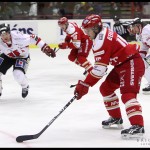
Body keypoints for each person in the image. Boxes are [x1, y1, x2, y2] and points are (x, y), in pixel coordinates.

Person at [73, 14, 145, 139]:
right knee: (106, 88)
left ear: (95, 28)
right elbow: (101, 67)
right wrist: (86, 83)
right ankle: (116, 118)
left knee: (128, 94)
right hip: (122, 64)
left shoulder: (101, 40)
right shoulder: (101, 33)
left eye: (88, 30)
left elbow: (100, 69)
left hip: (132, 62)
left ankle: (138, 125)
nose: (86, 33)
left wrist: (85, 84)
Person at [0, 23, 56, 98]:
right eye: (2, 35)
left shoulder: (18, 37)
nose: (5, 37)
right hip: (7, 56)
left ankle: (25, 86)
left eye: (6, 34)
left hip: (22, 57)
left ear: (9, 33)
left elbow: (34, 38)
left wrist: (46, 48)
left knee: (17, 74)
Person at [127, 18, 150, 94]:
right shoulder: (139, 35)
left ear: (138, 25)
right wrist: (139, 58)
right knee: (142, 63)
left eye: (133, 27)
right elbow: (144, 48)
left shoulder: (147, 30)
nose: (132, 29)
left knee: (143, 64)